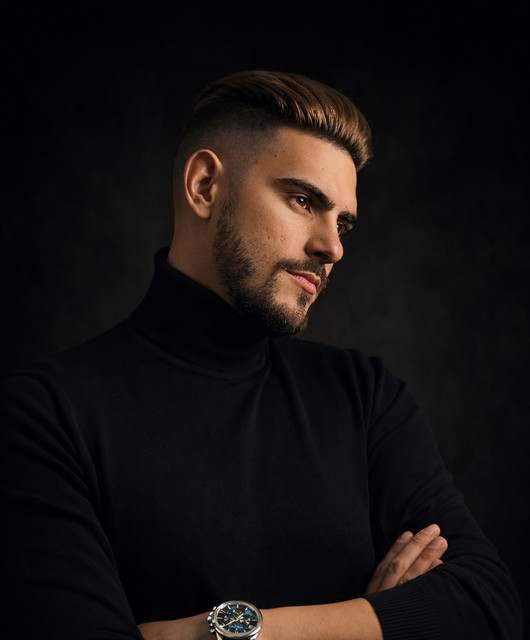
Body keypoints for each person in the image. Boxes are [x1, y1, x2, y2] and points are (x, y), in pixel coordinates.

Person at [0, 70, 523, 640]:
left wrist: (216, 632)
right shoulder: (42, 415)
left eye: (343, 223)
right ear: (204, 186)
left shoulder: (365, 396)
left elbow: (486, 605)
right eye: (303, 201)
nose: (332, 247)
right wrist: (375, 621)